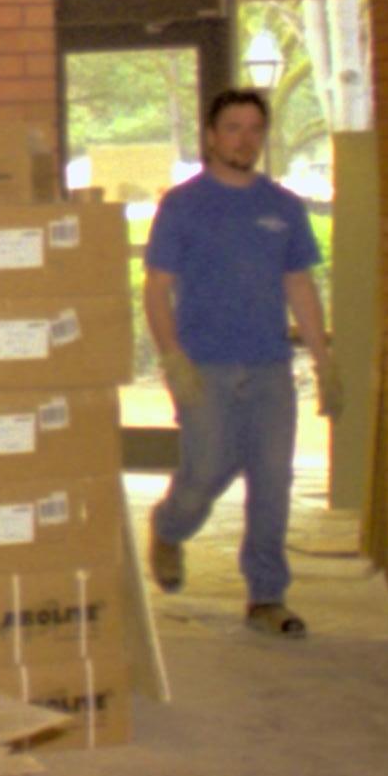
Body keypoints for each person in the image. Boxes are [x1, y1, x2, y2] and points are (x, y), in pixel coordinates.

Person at [141, 87, 342, 639]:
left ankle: (267, 595)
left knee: (272, 480)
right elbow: (157, 288)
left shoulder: (282, 206)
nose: (244, 139)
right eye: (233, 128)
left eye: (255, 129)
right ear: (211, 136)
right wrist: (171, 358)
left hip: (270, 366)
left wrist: (325, 362)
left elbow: (299, 284)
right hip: (204, 366)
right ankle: (170, 526)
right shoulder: (183, 206)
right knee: (206, 470)